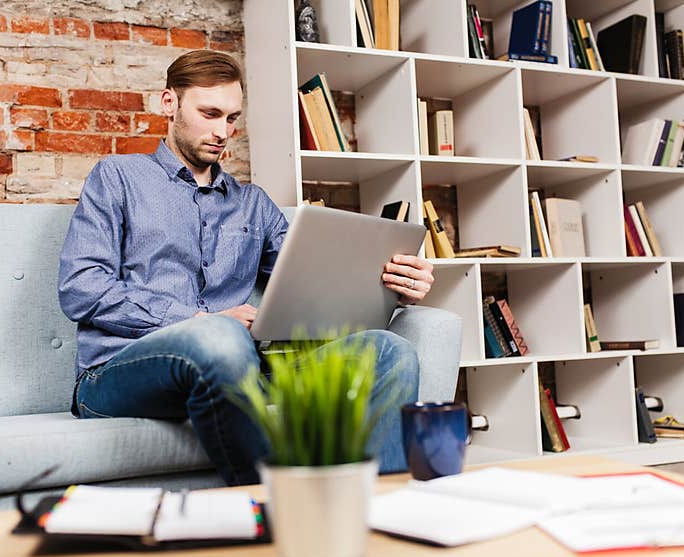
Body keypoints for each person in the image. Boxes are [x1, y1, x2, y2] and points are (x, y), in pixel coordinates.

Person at [58, 50, 435, 486]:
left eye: (232, 118)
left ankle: (374, 513)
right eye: (210, 113)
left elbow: (316, 279)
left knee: (391, 353)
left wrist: (393, 282)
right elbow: (81, 288)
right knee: (220, 335)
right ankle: (277, 508)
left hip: (237, 370)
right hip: (119, 373)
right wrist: (201, 321)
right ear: (169, 104)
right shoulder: (118, 178)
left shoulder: (252, 203)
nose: (223, 132)